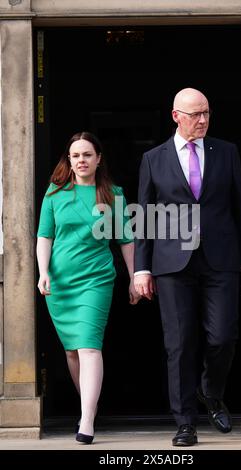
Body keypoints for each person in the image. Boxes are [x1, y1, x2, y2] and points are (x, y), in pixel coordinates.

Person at [134, 88, 241, 446]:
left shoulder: (227, 151)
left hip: (221, 258)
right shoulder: (153, 159)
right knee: (179, 343)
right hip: (172, 264)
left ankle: (211, 390)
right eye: (195, 114)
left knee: (223, 336)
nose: (203, 120)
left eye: (206, 112)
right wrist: (141, 269)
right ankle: (185, 422)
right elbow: (145, 218)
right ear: (176, 116)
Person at [37, 131, 140, 445]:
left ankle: (87, 420)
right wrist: (43, 273)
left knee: (90, 346)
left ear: (98, 159)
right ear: (69, 161)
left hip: (96, 279)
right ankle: (89, 407)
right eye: (76, 155)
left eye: (87, 155)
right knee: (72, 351)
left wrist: (135, 277)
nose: (81, 160)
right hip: (60, 282)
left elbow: (125, 239)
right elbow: (45, 237)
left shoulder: (113, 194)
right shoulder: (55, 194)